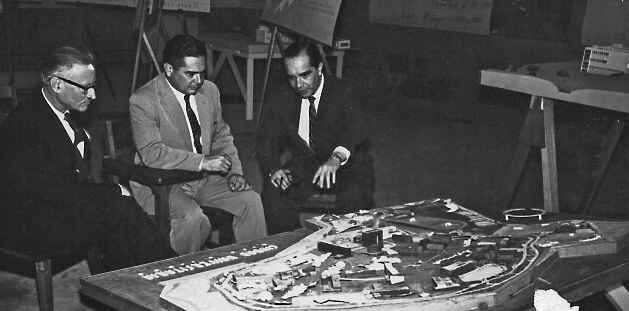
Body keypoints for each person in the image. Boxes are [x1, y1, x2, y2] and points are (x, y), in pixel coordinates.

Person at [0, 45, 176, 271]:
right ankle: (169, 270)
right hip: (25, 224)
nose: (93, 95)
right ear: (56, 84)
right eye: (85, 88)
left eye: (94, 86)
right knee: (121, 210)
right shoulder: (25, 125)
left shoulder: (54, 108)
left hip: (54, 205)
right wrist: (114, 190)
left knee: (121, 220)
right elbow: (59, 192)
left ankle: (130, 280)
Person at [129, 34, 267, 255]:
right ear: (169, 69)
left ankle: (256, 266)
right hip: (165, 183)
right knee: (193, 219)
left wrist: (234, 173)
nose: (199, 80)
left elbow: (221, 136)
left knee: (251, 201)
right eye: (190, 73)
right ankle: (182, 271)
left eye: (202, 72)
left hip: (205, 179)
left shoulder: (209, 91)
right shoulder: (143, 100)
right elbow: (152, 153)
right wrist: (202, 162)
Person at [258, 41, 375, 234]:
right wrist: (274, 169)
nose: (299, 84)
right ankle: (293, 246)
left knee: (356, 198)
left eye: (305, 75)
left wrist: (336, 158)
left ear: (319, 68)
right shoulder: (283, 97)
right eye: (292, 77)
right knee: (274, 194)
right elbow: (267, 140)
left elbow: (356, 129)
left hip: (348, 166)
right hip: (306, 166)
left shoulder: (345, 91)